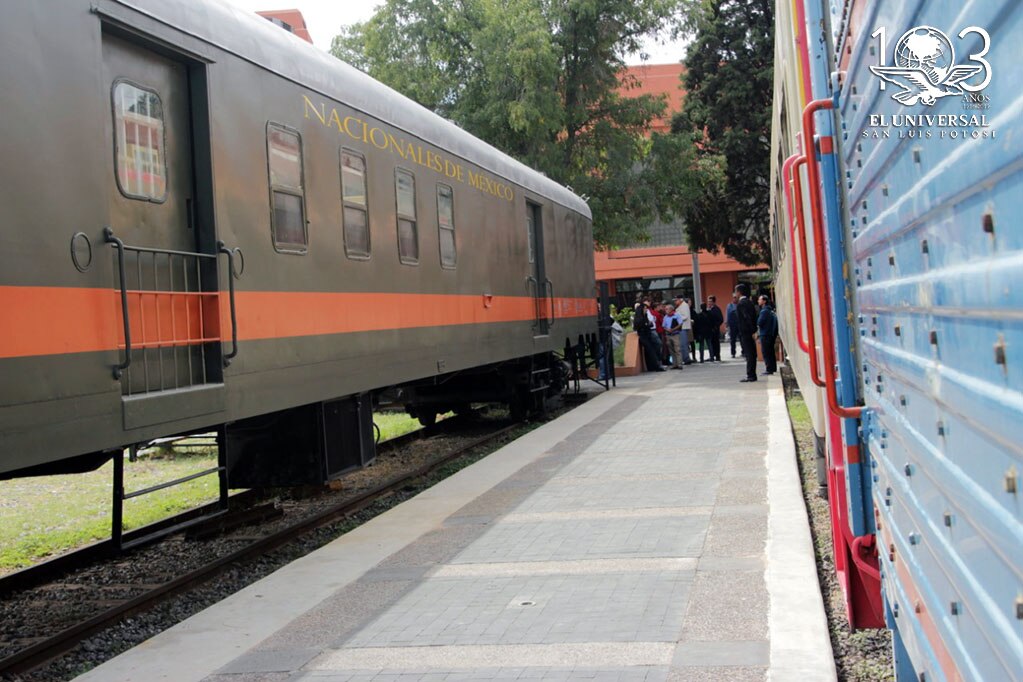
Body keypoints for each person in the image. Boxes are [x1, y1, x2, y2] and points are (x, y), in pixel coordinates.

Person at [735, 284, 759, 382]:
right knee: (751, 353)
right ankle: (752, 374)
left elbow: (746, 317)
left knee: (749, 354)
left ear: (739, 292)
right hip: (749, 331)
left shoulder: (742, 304)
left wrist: (752, 330)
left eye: (736, 291)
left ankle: (751, 375)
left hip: (746, 332)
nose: (735, 294)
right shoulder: (749, 302)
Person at [633, 302, 665, 372]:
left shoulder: (645, 316)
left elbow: (648, 324)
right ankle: (656, 366)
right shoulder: (639, 318)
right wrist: (647, 324)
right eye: (644, 309)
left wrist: (648, 324)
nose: (646, 310)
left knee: (654, 348)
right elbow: (640, 326)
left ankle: (652, 366)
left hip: (648, 334)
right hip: (643, 336)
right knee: (651, 350)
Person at [758, 295, 779, 375]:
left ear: (764, 301)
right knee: (771, 352)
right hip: (770, 334)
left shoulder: (764, 311)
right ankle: (773, 367)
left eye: (760, 300)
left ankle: (769, 369)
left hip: (765, 334)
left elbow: (760, 322)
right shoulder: (770, 310)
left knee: (766, 352)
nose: (758, 301)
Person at [662, 304, 684, 369]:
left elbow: (680, 324)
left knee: (677, 349)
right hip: (668, 335)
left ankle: (679, 364)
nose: (665, 310)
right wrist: (667, 329)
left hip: (675, 334)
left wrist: (673, 329)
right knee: (671, 350)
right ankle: (674, 364)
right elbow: (663, 326)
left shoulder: (677, 315)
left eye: (667, 309)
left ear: (671, 309)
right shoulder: (665, 317)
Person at [707, 295, 724, 361]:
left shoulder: (716, 309)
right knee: (712, 343)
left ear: (714, 302)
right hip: (710, 329)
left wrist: (716, 326)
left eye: (710, 301)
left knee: (716, 342)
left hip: (715, 329)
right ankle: (712, 355)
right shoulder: (709, 309)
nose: (709, 303)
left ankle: (717, 356)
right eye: (708, 301)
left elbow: (720, 319)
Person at [726, 293, 740, 358]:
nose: (735, 299)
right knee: (732, 340)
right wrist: (727, 323)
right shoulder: (730, 305)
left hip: (739, 324)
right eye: (734, 297)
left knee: (742, 339)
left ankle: (743, 352)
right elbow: (728, 314)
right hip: (732, 324)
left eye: (736, 297)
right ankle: (733, 353)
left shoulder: (740, 304)